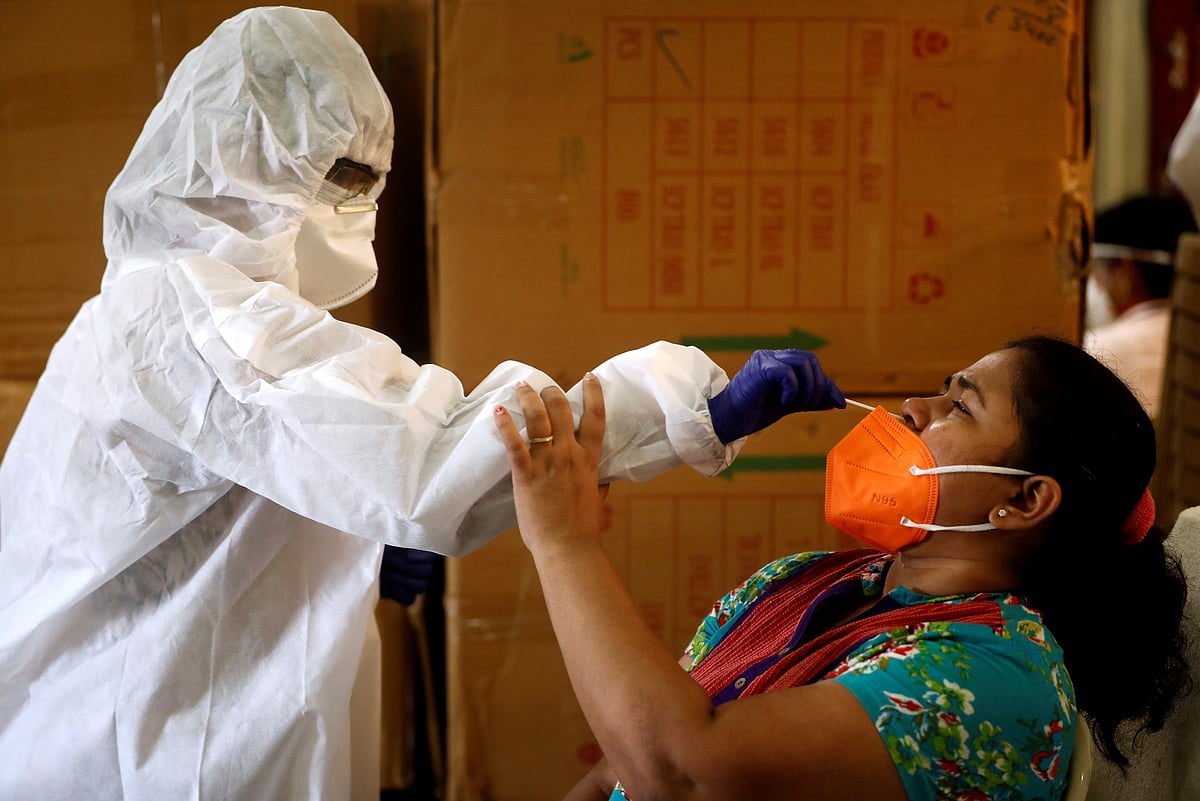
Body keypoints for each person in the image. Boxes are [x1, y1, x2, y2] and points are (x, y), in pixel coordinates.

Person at [0, 8, 844, 801]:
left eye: (367, 181)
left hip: (141, 712)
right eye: (338, 178)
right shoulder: (193, 321)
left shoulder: (156, 309)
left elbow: (233, 492)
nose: (355, 208)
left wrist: (344, 549)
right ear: (237, 156)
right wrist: (687, 404)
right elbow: (433, 453)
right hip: (137, 749)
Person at [495, 335, 1191, 801]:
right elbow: (624, 756)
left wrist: (565, 542)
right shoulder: (811, 580)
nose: (912, 408)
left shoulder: (997, 680)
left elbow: (683, 773)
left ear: (1025, 498)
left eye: (960, 405)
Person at [1083, 193, 1196, 419]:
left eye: (1103, 269)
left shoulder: (1096, 352)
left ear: (1127, 274)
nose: (1098, 283)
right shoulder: (1192, 338)